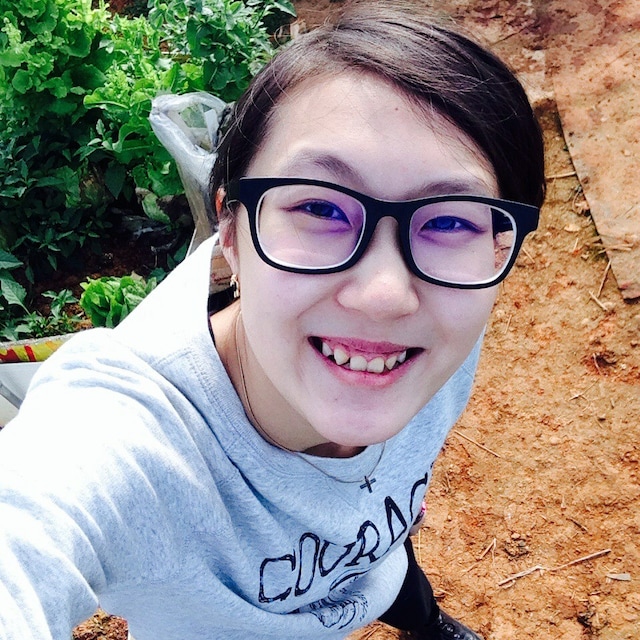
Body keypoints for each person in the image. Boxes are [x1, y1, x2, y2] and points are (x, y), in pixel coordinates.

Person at [0, 2, 545, 639]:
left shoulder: (452, 315)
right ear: (231, 230)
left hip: (371, 556)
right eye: (319, 208)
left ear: (498, 248)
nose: (385, 296)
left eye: (449, 219)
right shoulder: (130, 439)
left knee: (391, 567)